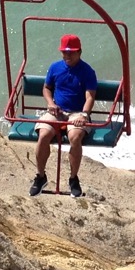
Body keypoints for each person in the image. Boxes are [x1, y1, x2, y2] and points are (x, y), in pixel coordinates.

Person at [31, 34, 97, 198]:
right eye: (64, 52)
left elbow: (90, 96)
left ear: (79, 52)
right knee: (43, 135)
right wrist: (50, 103)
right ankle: (40, 176)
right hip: (57, 111)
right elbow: (47, 88)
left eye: (71, 52)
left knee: (75, 137)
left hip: (77, 113)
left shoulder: (87, 71)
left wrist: (84, 115)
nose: (67, 55)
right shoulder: (55, 68)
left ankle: (73, 179)